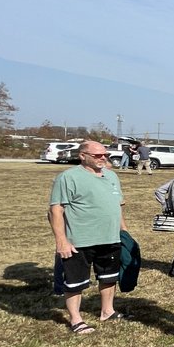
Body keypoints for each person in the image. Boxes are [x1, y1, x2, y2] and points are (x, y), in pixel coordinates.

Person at [48, 140, 129, 335]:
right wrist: (61, 241)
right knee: (75, 282)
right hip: (79, 240)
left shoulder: (111, 176)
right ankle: (76, 319)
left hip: (110, 238)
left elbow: (117, 207)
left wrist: (124, 233)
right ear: (82, 156)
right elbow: (56, 210)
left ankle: (107, 311)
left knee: (109, 277)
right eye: (98, 155)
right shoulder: (68, 178)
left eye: (105, 155)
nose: (103, 158)